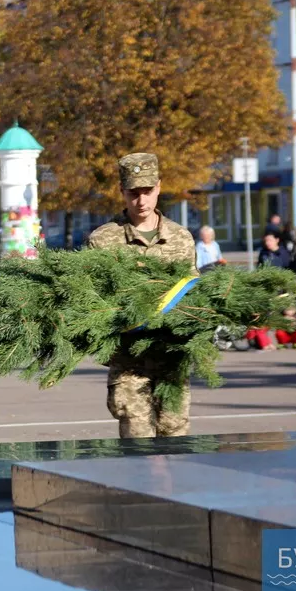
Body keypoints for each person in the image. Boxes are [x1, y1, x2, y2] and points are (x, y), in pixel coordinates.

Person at [87, 153, 197, 439]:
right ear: (122, 191)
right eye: (133, 193)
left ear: (159, 187)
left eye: (147, 191)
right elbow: (92, 298)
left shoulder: (180, 238)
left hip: (171, 355)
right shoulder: (103, 240)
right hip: (128, 360)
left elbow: (193, 292)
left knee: (175, 434)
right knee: (137, 441)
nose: (141, 200)